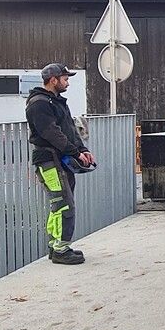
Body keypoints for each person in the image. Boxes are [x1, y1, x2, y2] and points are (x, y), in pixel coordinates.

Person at [26, 63, 95, 265]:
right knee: (63, 204)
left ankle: (56, 246)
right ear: (53, 80)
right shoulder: (39, 104)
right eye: (65, 79)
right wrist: (75, 152)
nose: (67, 83)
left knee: (60, 203)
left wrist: (82, 150)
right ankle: (60, 250)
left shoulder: (56, 101)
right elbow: (52, 133)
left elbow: (70, 130)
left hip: (59, 160)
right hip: (48, 160)